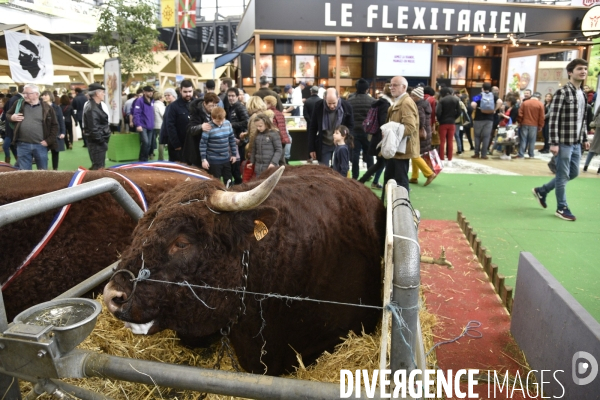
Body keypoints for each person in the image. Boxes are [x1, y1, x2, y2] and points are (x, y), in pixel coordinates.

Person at [532, 58, 590, 221]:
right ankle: (561, 207)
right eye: (579, 69)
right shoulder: (562, 92)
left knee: (573, 173)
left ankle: (542, 190)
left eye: (585, 69)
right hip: (563, 141)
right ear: (570, 72)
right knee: (563, 174)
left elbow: (582, 119)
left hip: (576, 141)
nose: (583, 71)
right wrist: (554, 142)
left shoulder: (582, 94)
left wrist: (584, 137)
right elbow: (554, 118)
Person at [7, 84, 58, 170]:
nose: (25, 95)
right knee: (24, 174)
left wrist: (48, 141)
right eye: (24, 93)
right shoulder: (18, 104)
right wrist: (12, 117)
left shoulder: (47, 108)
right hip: (22, 145)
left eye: (28, 93)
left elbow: (55, 125)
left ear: (36, 94)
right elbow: (8, 114)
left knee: (42, 173)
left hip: (41, 145)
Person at [382, 76, 419, 193]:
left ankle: (402, 209)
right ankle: (390, 208)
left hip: (400, 150)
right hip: (396, 150)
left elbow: (410, 127)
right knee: (391, 180)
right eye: (390, 85)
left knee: (400, 182)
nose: (391, 87)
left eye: (395, 85)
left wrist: (391, 134)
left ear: (404, 87)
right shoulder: (399, 101)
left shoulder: (406, 102)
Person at [359, 83, 394, 189]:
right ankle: (364, 181)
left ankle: (366, 181)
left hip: (378, 135)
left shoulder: (381, 102)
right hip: (382, 136)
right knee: (384, 162)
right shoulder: (386, 104)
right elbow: (383, 120)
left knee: (381, 163)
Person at [308, 88, 354, 166]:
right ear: (324, 98)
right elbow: (312, 128)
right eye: (329, 103)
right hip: (324, 143)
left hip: (340, 144)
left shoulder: (346, 106)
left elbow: (351, 126)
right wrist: (311, 148)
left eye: (334, 103)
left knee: (339, 170)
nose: (331, 106)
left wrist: (346, 141)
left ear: (338, 97)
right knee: (323, 171)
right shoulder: (319, 106)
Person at [200, 106, 237, 184]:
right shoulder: (208, 127)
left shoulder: (227, 124)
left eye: (222, 120)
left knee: (228, 181)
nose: (220, 123)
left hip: (226, 158)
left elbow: (232, 140)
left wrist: (234, 154)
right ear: (212, 118)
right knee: (215, 182)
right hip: (214, 161)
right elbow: (203, 144)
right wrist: (203, 159)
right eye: (217, 121)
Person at [347, 78, 375, 179]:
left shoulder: (350, 101)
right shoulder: (372, 101)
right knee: (369, 153)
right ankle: (369, 174)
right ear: (367, 89)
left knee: (355, 154)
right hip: (367, 131)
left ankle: (355, 175)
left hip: (354, 130)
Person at [409, 86, 436, 186]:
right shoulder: (426, 104)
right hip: (425, 133)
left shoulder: (419, 106)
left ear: (418, 96)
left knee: (414, 154)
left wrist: (416, 128)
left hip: (419, 133)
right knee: (415, 153)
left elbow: (420, 120)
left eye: (413, 95)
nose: (411, 97)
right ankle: (414, 177)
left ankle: (429, 173)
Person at [185, 92, 220, 168]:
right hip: (196, 149)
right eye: (211, 106)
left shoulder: (215, 112)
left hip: (211, 150)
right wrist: (201, 127)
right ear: (205, 103)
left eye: (215, 105)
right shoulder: (195, 112)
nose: (214, 108)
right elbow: (190, 129)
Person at [82, 83, 111, 170]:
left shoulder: (93, 105)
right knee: (98, 168)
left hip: (98, 141)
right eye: (102, 92)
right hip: (97, 143)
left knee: (98, 166)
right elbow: (93, 129)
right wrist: (102, 142)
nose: (104, 94)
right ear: (97, 94)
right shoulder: (92, 108)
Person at [164, 80, 194, 162]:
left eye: (190, 91)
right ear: (180, 91)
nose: (188, 94)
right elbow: (170, 126)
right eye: (185, 92)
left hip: (193, 146)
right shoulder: (173, 106)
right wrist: (176, 144)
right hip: (178, 146)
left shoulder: (197, 104)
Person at [471, 82, 503, 159]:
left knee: (477, 136)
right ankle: (484, 154)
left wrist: (476, 109)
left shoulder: (479, 95)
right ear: (490, 89)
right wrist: (494, 109)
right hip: (489, 119)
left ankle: (476, 153)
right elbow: (500, 102)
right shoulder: (493, 96)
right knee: (486, 137)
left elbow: (473, 104)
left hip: (478, 118)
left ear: (482, 88)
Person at [226, 87, 250, 183]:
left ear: (237, 97)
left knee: (237, 167)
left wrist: (232, 124)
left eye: (233, 96)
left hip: (240, 140)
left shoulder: (239, 107)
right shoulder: (231, 107)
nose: (231, 98)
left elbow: (247, 121)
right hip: (235, 139)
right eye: (229, 96)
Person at [249, 112, 283, 178]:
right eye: (257, 126)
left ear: (266, 123)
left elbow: (278, 150)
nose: (258, 128)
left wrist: (273, 163)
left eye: (260, 126)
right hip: (258, 168)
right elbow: (254, 150)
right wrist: (252, 161)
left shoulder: (274, 134)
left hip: (270, 167)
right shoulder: (257, 135)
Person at [41, 91, 66, 170]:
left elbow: (61, 120)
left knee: (55, 152)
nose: (44, 97)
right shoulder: (40, 107)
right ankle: (44, 169)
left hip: (55, 132)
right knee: (43, 152)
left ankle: (55, 169)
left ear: (50, 96)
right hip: (43, 132)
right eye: (43, 95)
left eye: (46, 95)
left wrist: (63, 132)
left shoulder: (57, 107)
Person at [436, 86, 460, 167]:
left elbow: (438, 112)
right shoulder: (456, 100)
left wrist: (440, 119)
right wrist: (454, 118)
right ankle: (450, 160)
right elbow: (459, 112)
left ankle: (441, 159)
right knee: (450, 141)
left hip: (443, 123)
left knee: (442, 142)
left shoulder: (442, 100)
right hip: (452, 123)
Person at [517, 91, 545, 159]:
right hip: (534, 125)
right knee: (532, 140)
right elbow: (541, 116)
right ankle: (531, 154)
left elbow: (520, 114)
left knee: (523, 139)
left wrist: (520, 122)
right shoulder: (540, 104)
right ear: (539, 97)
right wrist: (540, 125)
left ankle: (521, 154)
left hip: (524, 123)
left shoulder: (525, 103)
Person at [264, 95, 291, 163]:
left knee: (275, 161)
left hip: (276, 140)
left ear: (269, 103)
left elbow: (272, 127)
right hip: (283, 139)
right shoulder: (279, 113)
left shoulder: (269, 114)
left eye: (264, 102)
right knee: (281, 159)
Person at [132, 86, 155, 161]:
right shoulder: (139, 101)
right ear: (144, 92)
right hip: (143, 125)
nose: (151, 93)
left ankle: (145, 159)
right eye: (149, 91)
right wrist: (138, 124)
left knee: (149, 144)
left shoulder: (152, 101)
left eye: (151, 92)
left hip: (150, 126)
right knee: (145, 142)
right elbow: (136, 113)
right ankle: (142, 159)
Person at [1, 85, 23, 164]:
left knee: (9, 146)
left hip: (10, 129)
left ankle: (11, 164)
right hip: (12, 128)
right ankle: (15, 164)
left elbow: (6, 115)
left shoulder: (14, 99)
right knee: (10, 146)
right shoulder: (17, 99)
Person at [158, 88, 177, 161]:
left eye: (169, 95)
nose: (167, 97)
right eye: (165, 95)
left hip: (174, 134)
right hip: (168, 134)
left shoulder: (175, 106)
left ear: (174, 96)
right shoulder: (168, 106)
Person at [498, 96, 520, 160]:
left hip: (511, 126)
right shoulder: (510, 107)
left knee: (509, 140)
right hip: (507, 124)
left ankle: (508, 154)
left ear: (510, 101)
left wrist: (503, 115)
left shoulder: (515, 108)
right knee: (506, 140)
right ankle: (506, 153)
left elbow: (512, 118)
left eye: (507, 101)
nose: (506, 103)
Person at [583, 103, 600, 174]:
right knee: (593, 147)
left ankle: (598, 168)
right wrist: (596, 122)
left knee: (593, 147)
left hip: (598, 125)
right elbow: (596, 114)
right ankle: (586, 165)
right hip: (599, 127)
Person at [153, 92, 165, 160]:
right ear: (160, 98)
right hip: (160, 125)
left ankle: (151, 154)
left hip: (154, 125)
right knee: (161, 142)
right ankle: (161, 157)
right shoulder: (160, 105)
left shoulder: (153, 104)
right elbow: (163, 115)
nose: (164, 98)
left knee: (153, 141)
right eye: (163, 97)